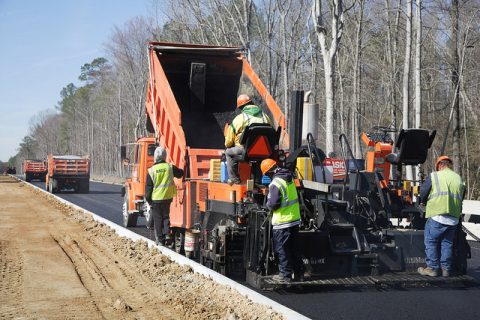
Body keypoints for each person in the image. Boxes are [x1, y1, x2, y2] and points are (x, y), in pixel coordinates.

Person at [418, 156, 465, 277]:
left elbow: (423, 191)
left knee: (431, 241)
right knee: (447, 243)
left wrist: (422, 201)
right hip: (453, 218)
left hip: (437, 215)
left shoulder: (435, 176)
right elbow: (461, 197)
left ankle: (432, 268)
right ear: (449, 165)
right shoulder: (459, 179)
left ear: (439, 166)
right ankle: (445, 269)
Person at [261, 158, 305, 282]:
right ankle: (299, 273)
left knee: (282, 249)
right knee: (294, 248)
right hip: (294, 219)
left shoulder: (275, 183)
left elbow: (273, 203)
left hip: (282, 222)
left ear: (269, 172)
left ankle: (285, 276)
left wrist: (268, 206)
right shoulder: (289, 178)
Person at [224, 94, 273, 186]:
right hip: (264, 151)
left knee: (228, 152)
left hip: (244, 150)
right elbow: (271, 132)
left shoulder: (240, 118)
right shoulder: (265, 116)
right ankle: (258, 178)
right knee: (259, 155)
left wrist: (228, 145)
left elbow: (229, 141)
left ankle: (234, 179)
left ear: (241, 108)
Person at [145, 146, 184, 247]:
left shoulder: (151, 171)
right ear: (165, 156)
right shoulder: (170, 167)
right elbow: (180, 174)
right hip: (167, 197)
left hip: (156, 199)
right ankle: (167, 235)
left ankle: (161, 239)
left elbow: (148, 188)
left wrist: (148, 200)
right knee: (166, 216)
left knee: (158, 219)